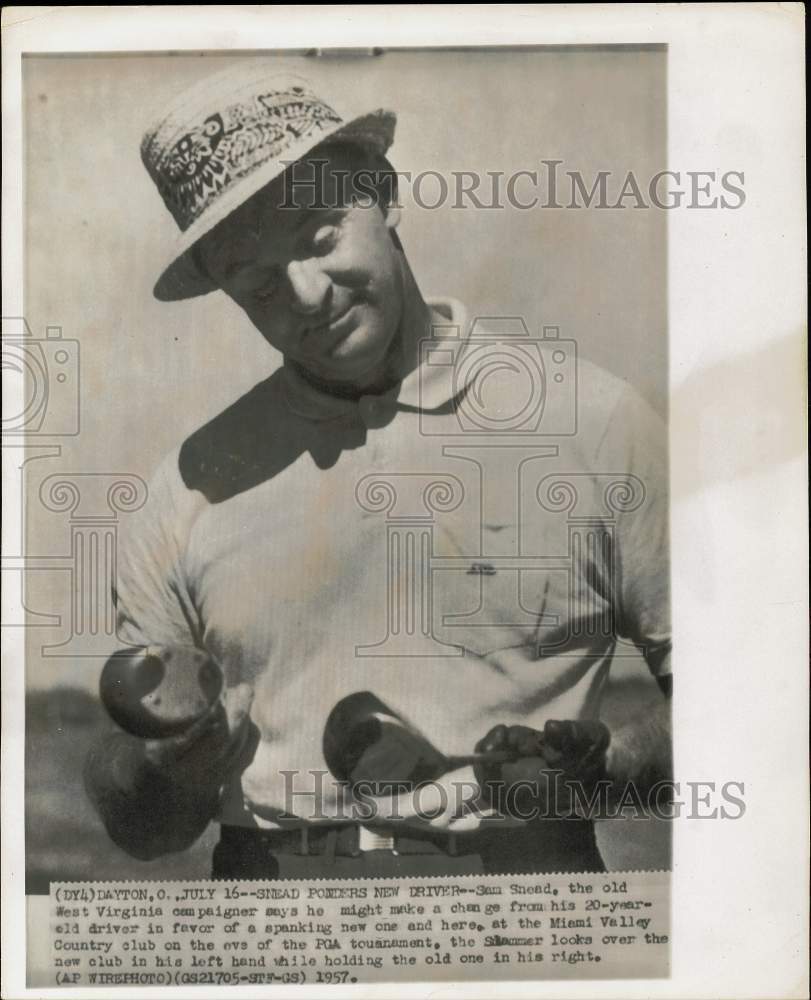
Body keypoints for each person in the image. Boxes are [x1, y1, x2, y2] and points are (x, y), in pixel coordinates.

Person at [85, 62, 671, 879]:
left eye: (321, 238)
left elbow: (747, 695)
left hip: (527, 904)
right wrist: (166, 770)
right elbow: (142, 826)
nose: (305, 294)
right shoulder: (192, 484)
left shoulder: (591, 423)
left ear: (383, 194)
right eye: (254, 284)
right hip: (271, 919)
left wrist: (598, 775)